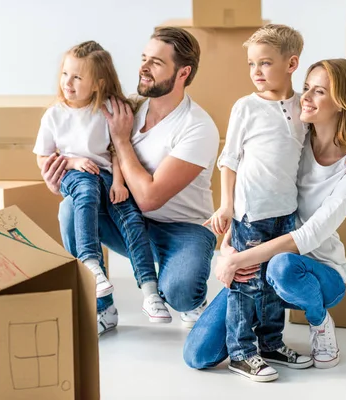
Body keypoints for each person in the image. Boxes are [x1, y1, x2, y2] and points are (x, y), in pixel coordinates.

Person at [184, 58, 346, 377]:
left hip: (320, 274)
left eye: (319, 92)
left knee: (283, 265)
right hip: (262, 257)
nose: (306, 98)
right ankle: (264, 339)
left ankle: (319, 321)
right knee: (199, 354)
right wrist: (232, 245)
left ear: (342, 103)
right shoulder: (294, 137)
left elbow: (309, 237)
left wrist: (235, 261)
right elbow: (254, 187)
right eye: (306, 89)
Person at [41, 27, 220, 336]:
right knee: (70, 208)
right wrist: (57, 176)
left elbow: (150, 197)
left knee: (179, 292)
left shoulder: (198, 127)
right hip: (130, 221)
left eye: (157, 63)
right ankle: (103, 308)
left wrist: (123, 141)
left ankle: (188, 296)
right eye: (143, 58)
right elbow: (82, 153)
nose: (144, 68)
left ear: (183, 73)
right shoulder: (127, 108)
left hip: (184, 230)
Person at [33, 41, 161, 320]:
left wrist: (118, 183)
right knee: (86, 190)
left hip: (105, 176)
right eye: (66, 74)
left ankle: (150, 291)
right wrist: (71, 162)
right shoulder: (55, 114)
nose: (68, 82)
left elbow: (116, 149)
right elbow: (43, 158)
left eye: (77, 77)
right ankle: (92, 265)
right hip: (74, 175)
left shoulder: (106, 111)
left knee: (130, 216)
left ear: (97, 84)